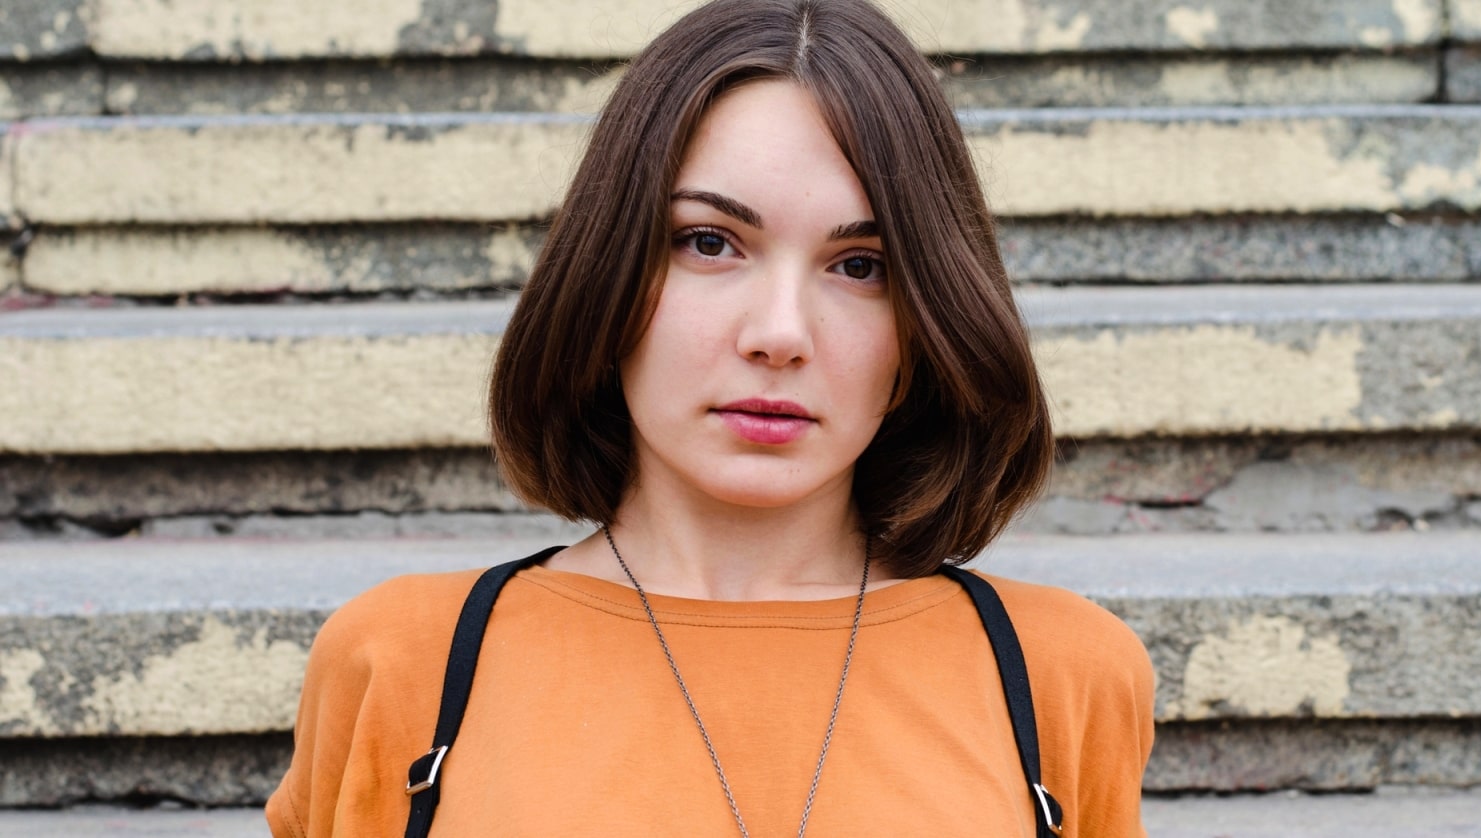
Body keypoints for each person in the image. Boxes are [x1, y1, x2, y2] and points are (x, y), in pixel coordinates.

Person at [266, 0, 1154, 834]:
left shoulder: (1061, 675)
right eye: (709, 243)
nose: (779, 334)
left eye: (861, 265)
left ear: (923, 325)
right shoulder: (398, 662)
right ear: (609, 275)